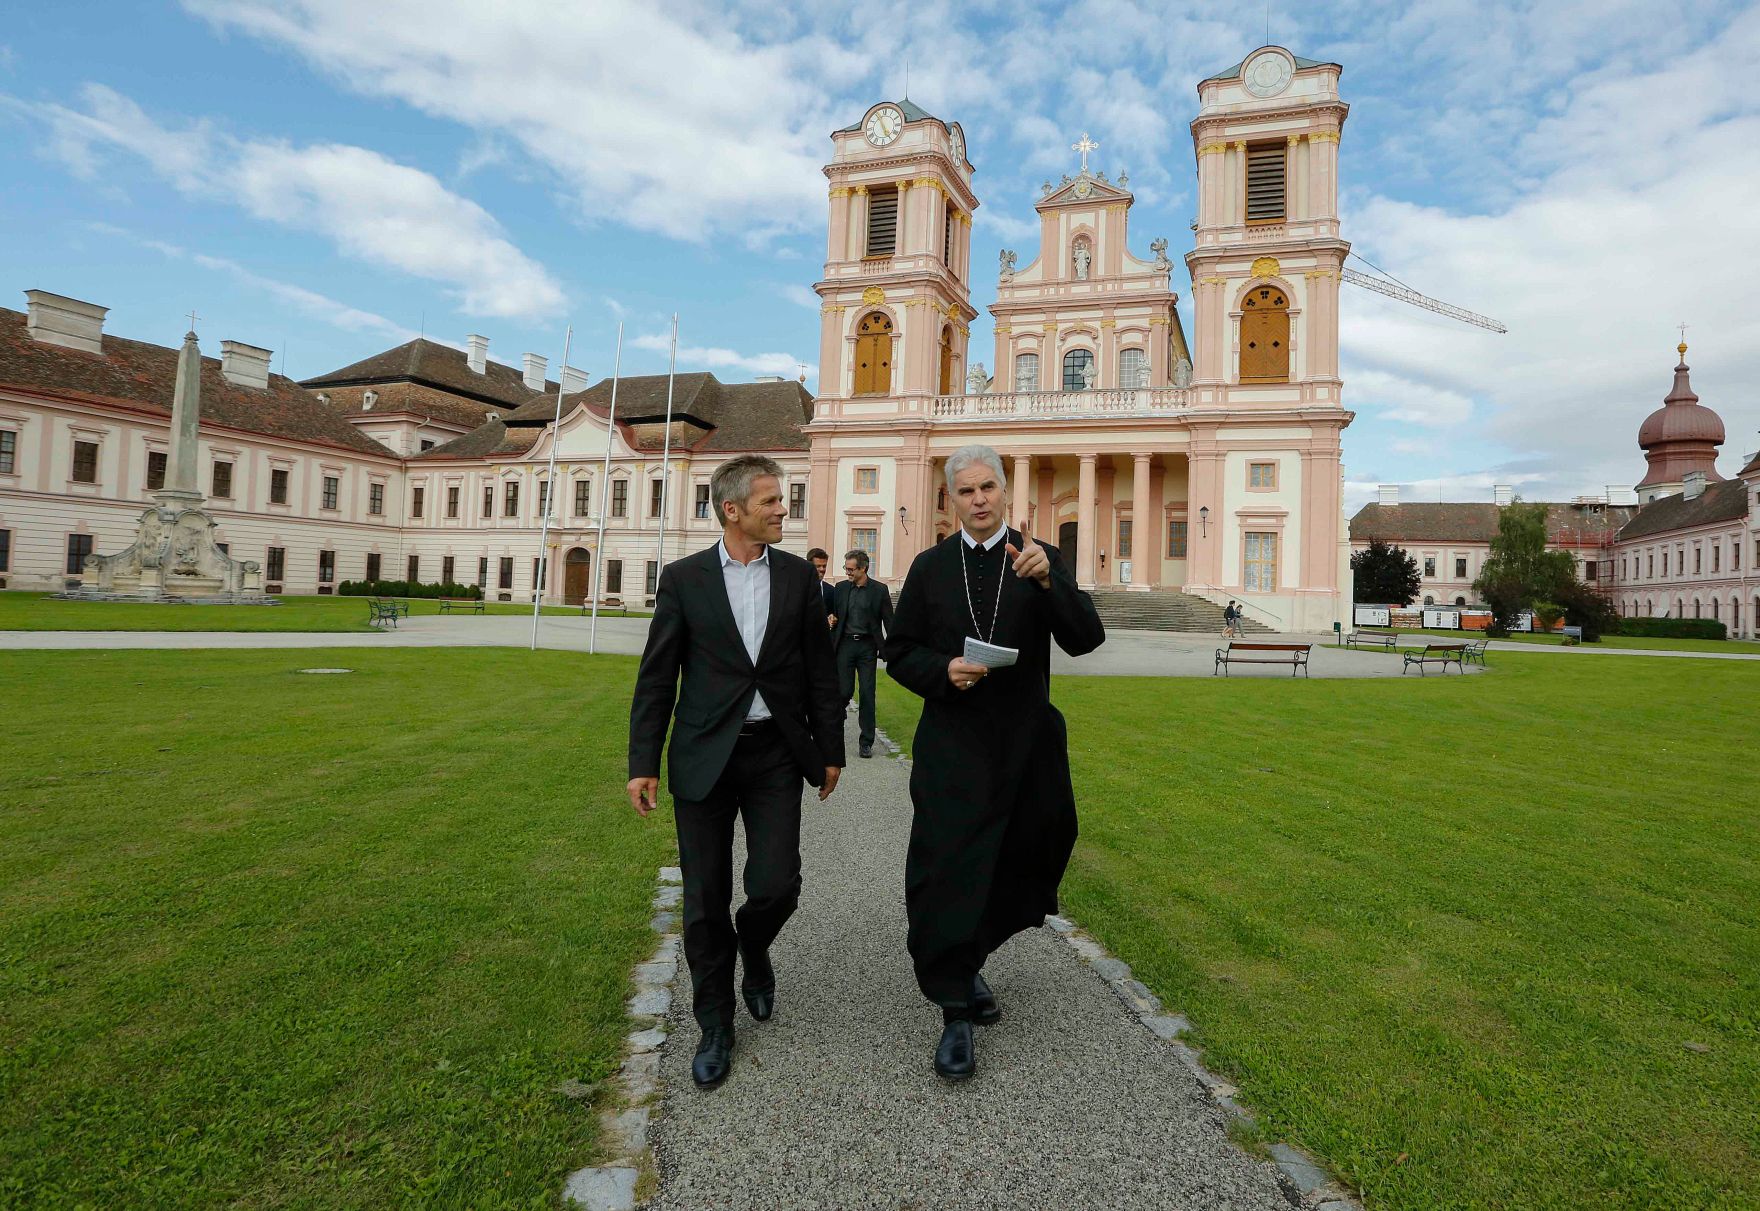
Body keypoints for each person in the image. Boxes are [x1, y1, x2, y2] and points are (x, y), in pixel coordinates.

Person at [884, 444, 1105, 1081]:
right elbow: (899, 653)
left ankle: (973, 951)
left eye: (988, 488)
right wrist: (941, 669)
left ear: (1006, 492)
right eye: (965, 492)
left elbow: (1085, 639)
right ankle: (954, 1005)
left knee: (1030, 849)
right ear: (950, 499)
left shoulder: (1041, 558)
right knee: (949, 866)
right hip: (954, 745)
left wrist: (1049, 581)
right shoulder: (929, 568)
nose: (978, 500)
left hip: (1027, 745)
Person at [627, 455, 845, 1088]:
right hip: (703, 755)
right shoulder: (684, 579)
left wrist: (828, 749)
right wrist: (643, 761)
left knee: (776, 885)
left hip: (776, 750)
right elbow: (657, 675)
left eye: (783, 500)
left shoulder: (801, 578)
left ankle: (755, 943)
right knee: (704, 899)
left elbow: (819, 673)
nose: (783, 510)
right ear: (733, 510)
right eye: (772, 501)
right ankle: (715, 1022)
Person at [830, 548, 893, 759]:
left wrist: (892, 648)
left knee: (867, 694)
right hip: (845, 646)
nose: (847, 573)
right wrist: (830, 618)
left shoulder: (879, 590)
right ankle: (832, 734)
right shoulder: (839, 589)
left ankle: (866, 742)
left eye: (851, 569)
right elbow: (831, 613)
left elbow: (889, 621)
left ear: (863, 568)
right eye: (845, 569)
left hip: (867, 647)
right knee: (843, 692)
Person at [808, 547, 837, 627]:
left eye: (824, 566)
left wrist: (832, 618)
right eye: (818, 566)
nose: (822, 569)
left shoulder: (831, 591)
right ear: (809, 565)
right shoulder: (798, 588)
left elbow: (834, 614)